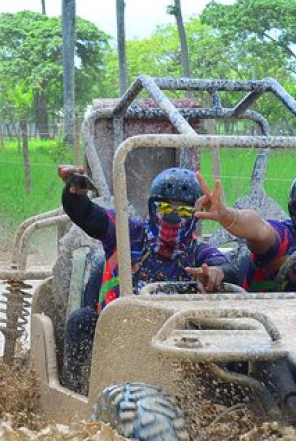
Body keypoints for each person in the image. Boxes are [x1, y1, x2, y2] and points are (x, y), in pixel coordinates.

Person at [59, 165, 236, 392]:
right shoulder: (126, 233)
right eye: (164, 207)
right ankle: (77, 395)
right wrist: (74, 192)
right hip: (115, 338)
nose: (172, 217)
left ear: (195, 214)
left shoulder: (198, 253)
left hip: (175, 347)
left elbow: (228, 268)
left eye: (182, 211)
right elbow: (88, 215)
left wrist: (216, 273)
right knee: (81, 319)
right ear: (152, 208)